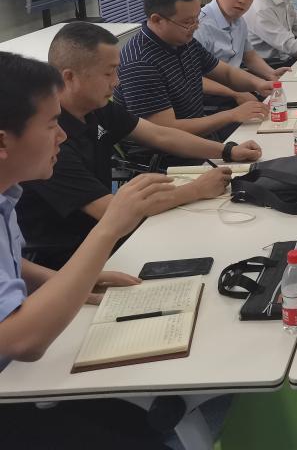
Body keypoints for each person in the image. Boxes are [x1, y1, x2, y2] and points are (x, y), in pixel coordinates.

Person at [0, 51, 177, 448]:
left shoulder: (7, 194)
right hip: (12, 390)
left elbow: (12, 266)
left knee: (141, 419)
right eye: (51, 125)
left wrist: (68, 281)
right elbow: (21, 341)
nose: (61, 136)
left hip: (18, 381)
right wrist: (109, 229)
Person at [18, 22, 262, 269]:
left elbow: (160, 135)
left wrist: (227, 150)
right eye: (108, 73)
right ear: (69, 77)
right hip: (70, 259)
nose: (117, 82)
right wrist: (196, 190)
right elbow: (110, 211)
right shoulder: (50, 141)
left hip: (111, 238)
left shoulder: (95, 108)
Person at [115, 0, 273, 138]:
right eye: (188, 22)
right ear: (157, 20)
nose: (196, 26)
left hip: (198, 133)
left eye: (197, 18)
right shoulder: (140, 64)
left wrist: (259, 84)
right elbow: (166, 133)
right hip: (170, 148)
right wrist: (232, 115)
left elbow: (226, 73)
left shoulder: (184, 41)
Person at [195, 0, 291, 107]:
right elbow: (194, 78)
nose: (242, 0)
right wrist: (235, 93)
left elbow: (249, 56)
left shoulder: (239, 20)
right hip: (211, 97)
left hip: (237, 88)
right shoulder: (199, 25)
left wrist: (270, 74)